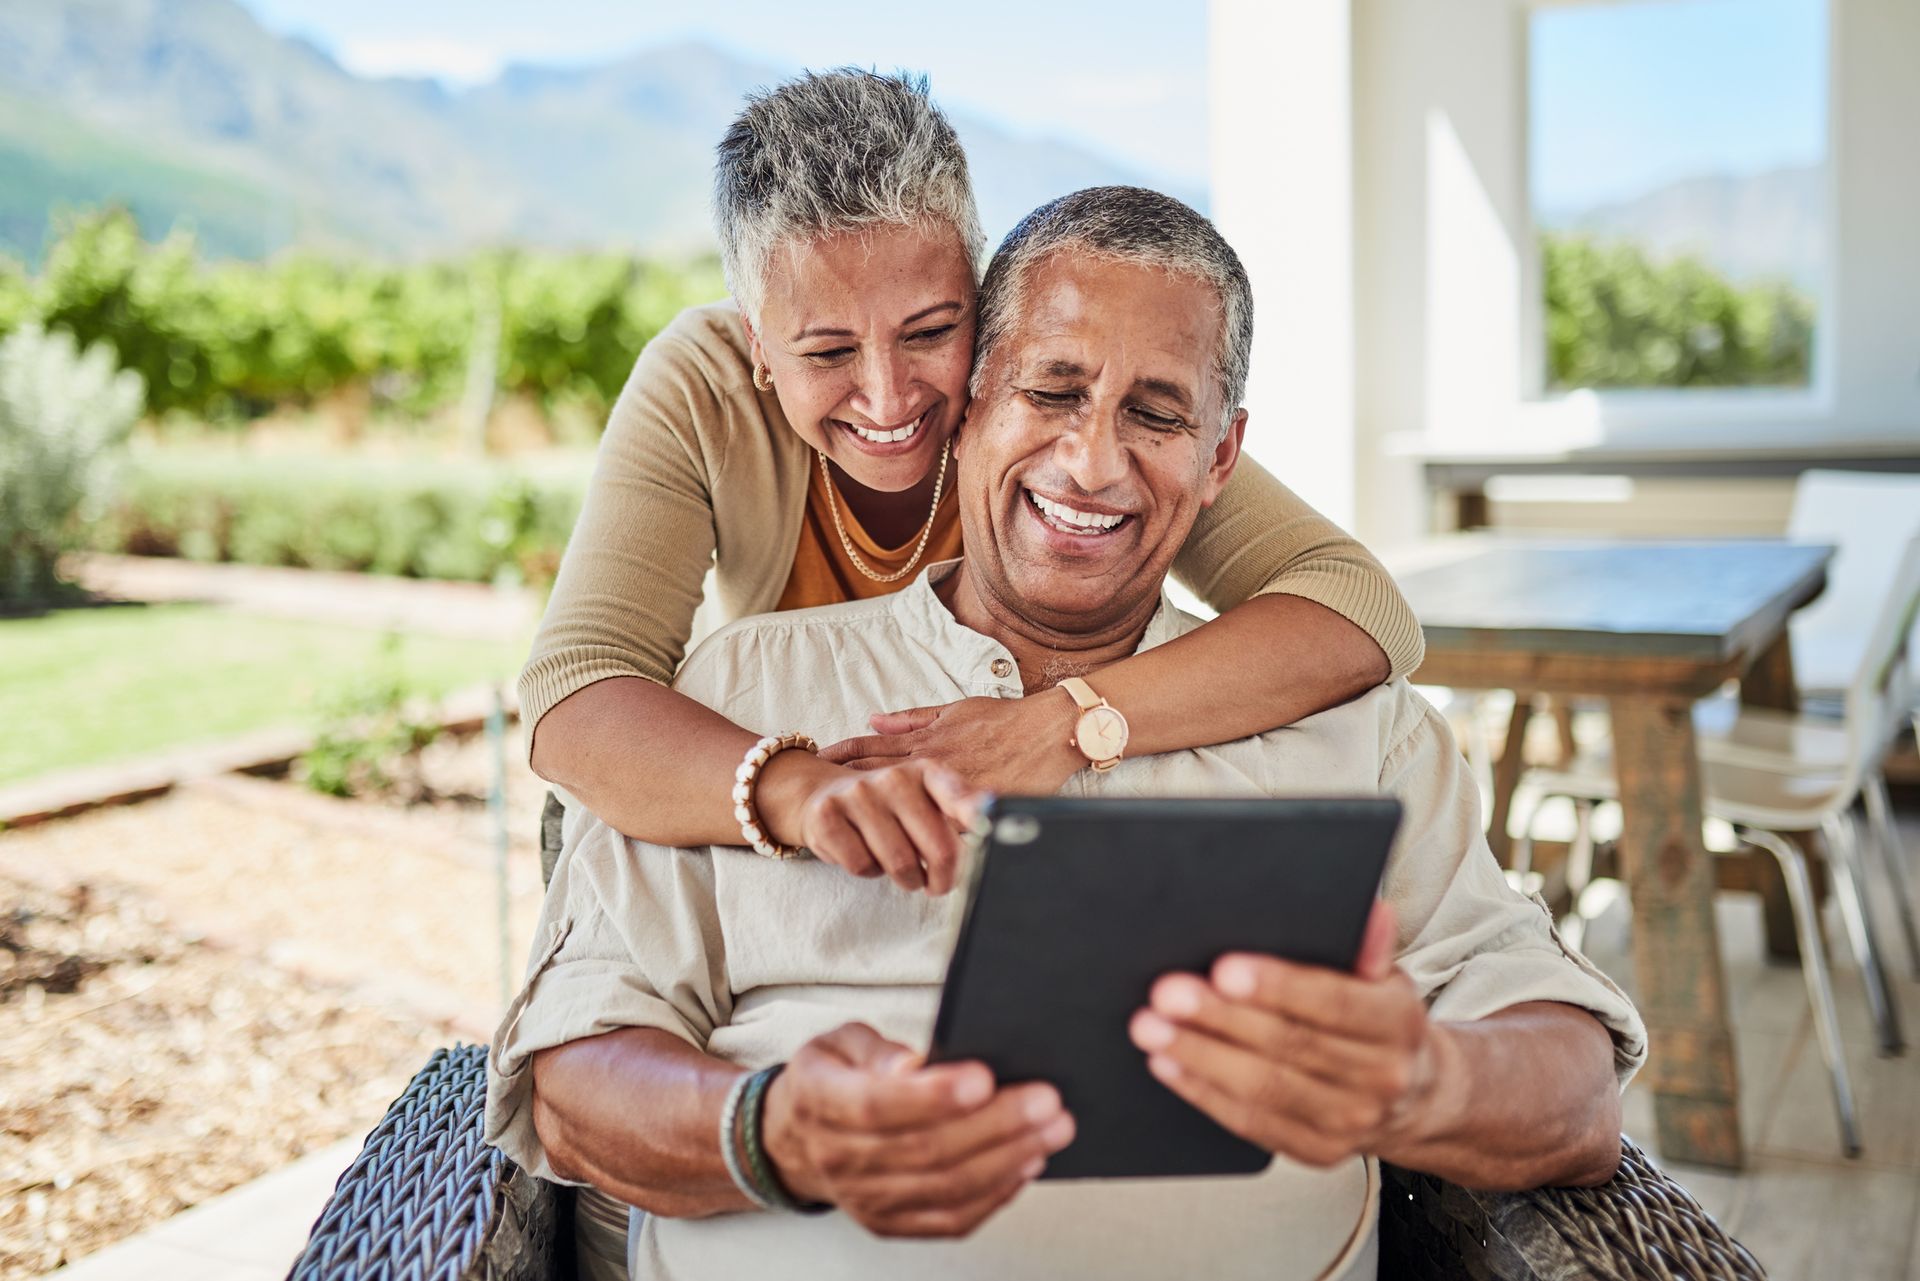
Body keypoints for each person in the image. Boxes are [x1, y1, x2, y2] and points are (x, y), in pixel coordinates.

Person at [486, 186, 1646, 1281]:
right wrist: (774, 1129)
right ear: (971, 404)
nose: (1093, 462)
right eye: (1052, 393)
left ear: (1220, 460)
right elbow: (572, 1075)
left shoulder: (1357, 731)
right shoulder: (741, 696)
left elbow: (1577, 1094)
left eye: (1156, 414)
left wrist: (1426, 1087)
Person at [519, 68, 1428, 892]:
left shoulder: (1051, 388)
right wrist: (799, 791)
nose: (889, 395)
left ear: (984, 293)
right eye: (828, 350)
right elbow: (575, 688)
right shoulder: (702, 385)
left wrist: (1068, 722)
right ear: (759, 344)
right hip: (755, 814)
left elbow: (1356, 606)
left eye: (930, 331)